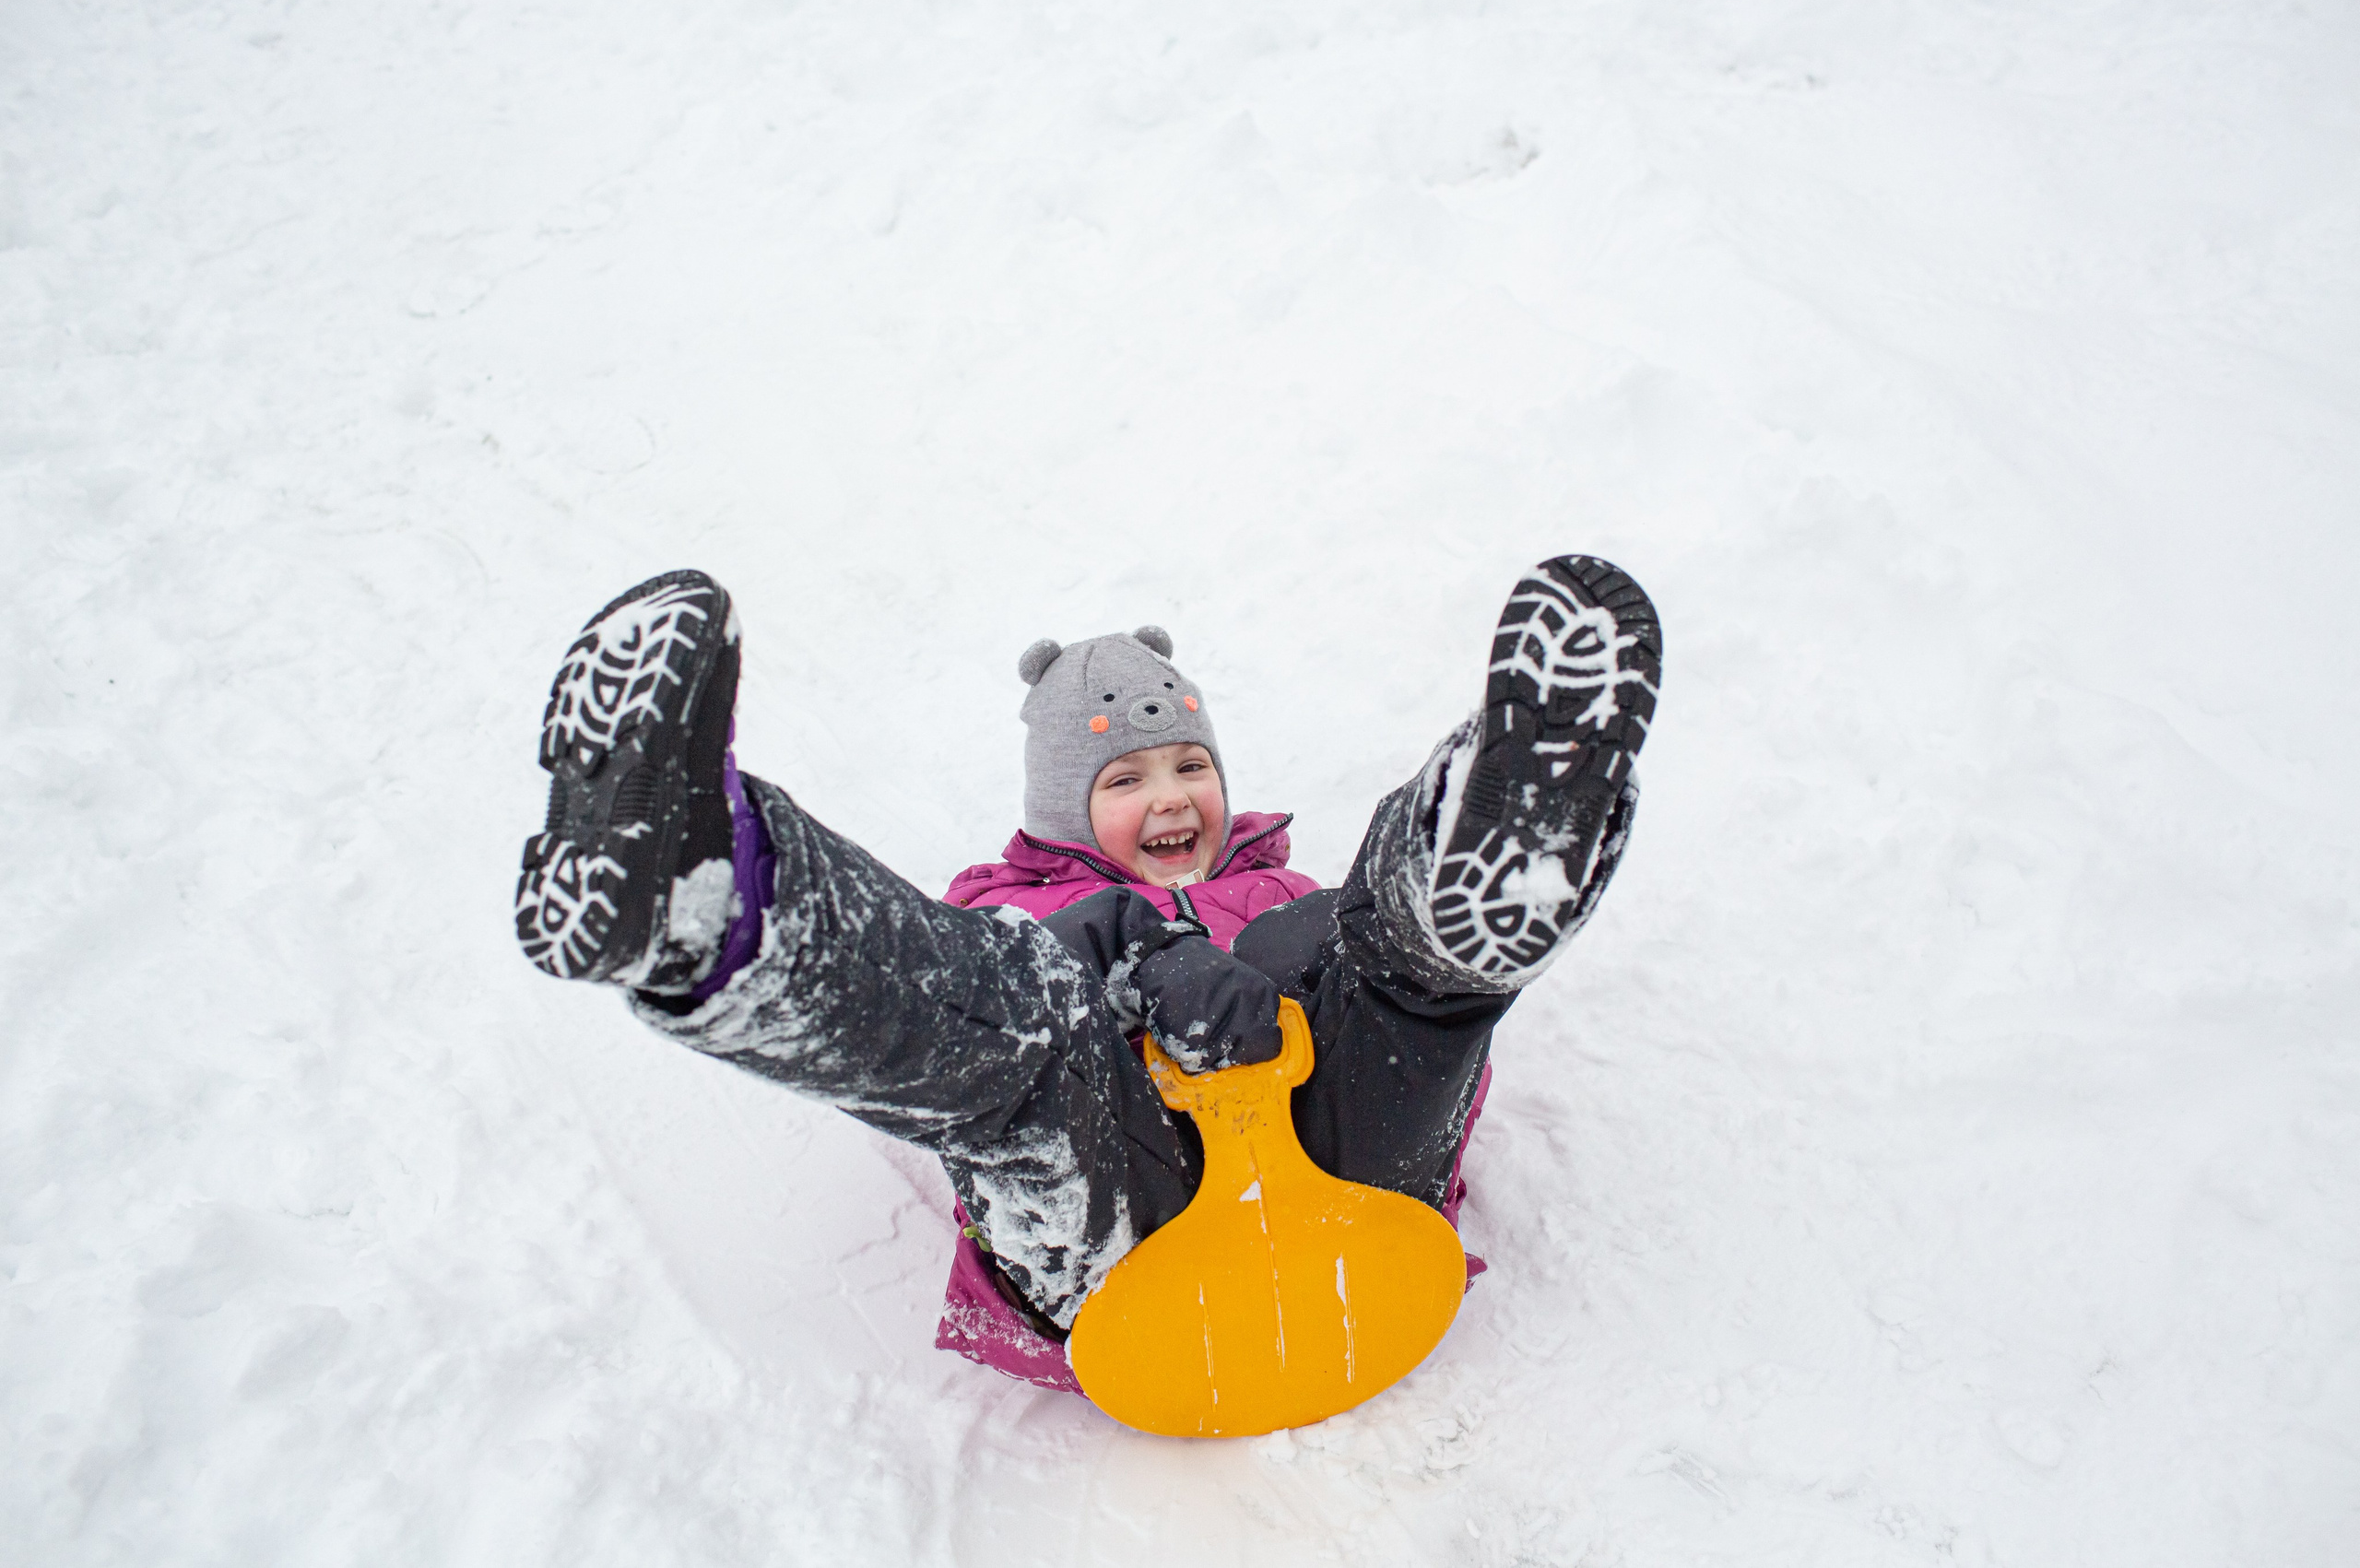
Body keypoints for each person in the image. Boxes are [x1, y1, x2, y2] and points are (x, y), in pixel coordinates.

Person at [513, 556, 1661, 1391]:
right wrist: (1141, 954)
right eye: (1125, 780)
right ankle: (710, 900)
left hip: (1351, 1196)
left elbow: (1341, 994)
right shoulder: (1012, 905)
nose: (1170, 796)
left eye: (1190, 765)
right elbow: (1009, 1003)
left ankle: (1492, 852)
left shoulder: (1276, 886)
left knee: (1388, 973)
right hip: (1118, 1236)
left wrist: (1276, 965)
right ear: (1064, 810)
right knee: (1006, 1026)